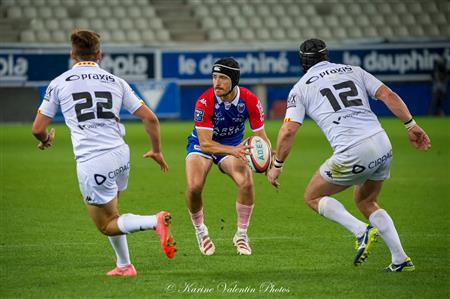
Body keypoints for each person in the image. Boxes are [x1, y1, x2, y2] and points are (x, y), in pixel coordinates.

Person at [267, 39, 431, 272]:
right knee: (366, 200)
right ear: (327, 56)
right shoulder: (354, 70)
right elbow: (388, 94)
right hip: (382, 142)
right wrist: (410, 124)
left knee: (312, 196)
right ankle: (400, 259)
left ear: (302, 62)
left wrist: (278, 164)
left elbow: (288, 130)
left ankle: (361, 231)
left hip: (353, 149)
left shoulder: (301, 88)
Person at [31, 29, 176, 277]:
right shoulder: (116, 81)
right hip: (120, 154)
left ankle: (155, 221)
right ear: (100, 54)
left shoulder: (58, 83)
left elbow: (38, 129)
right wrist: (156, 150)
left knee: (107, 225)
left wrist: (46, 140)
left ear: (72, 54)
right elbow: (151, 119)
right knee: (114, 212)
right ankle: (124, 265)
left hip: (93, 160)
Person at [185, 57, 270, 256]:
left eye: (222, 78)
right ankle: (201, 231)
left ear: (234, 80)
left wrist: (272, 163)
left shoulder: (250, 100)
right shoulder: (204, 101)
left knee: (246, 182)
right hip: (202, 144)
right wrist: (233, 151)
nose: (217, 82)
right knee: (194, 186)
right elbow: (206, 143)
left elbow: (262, 137)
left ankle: (241, 235)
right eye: (214, 77)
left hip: (233, 143)